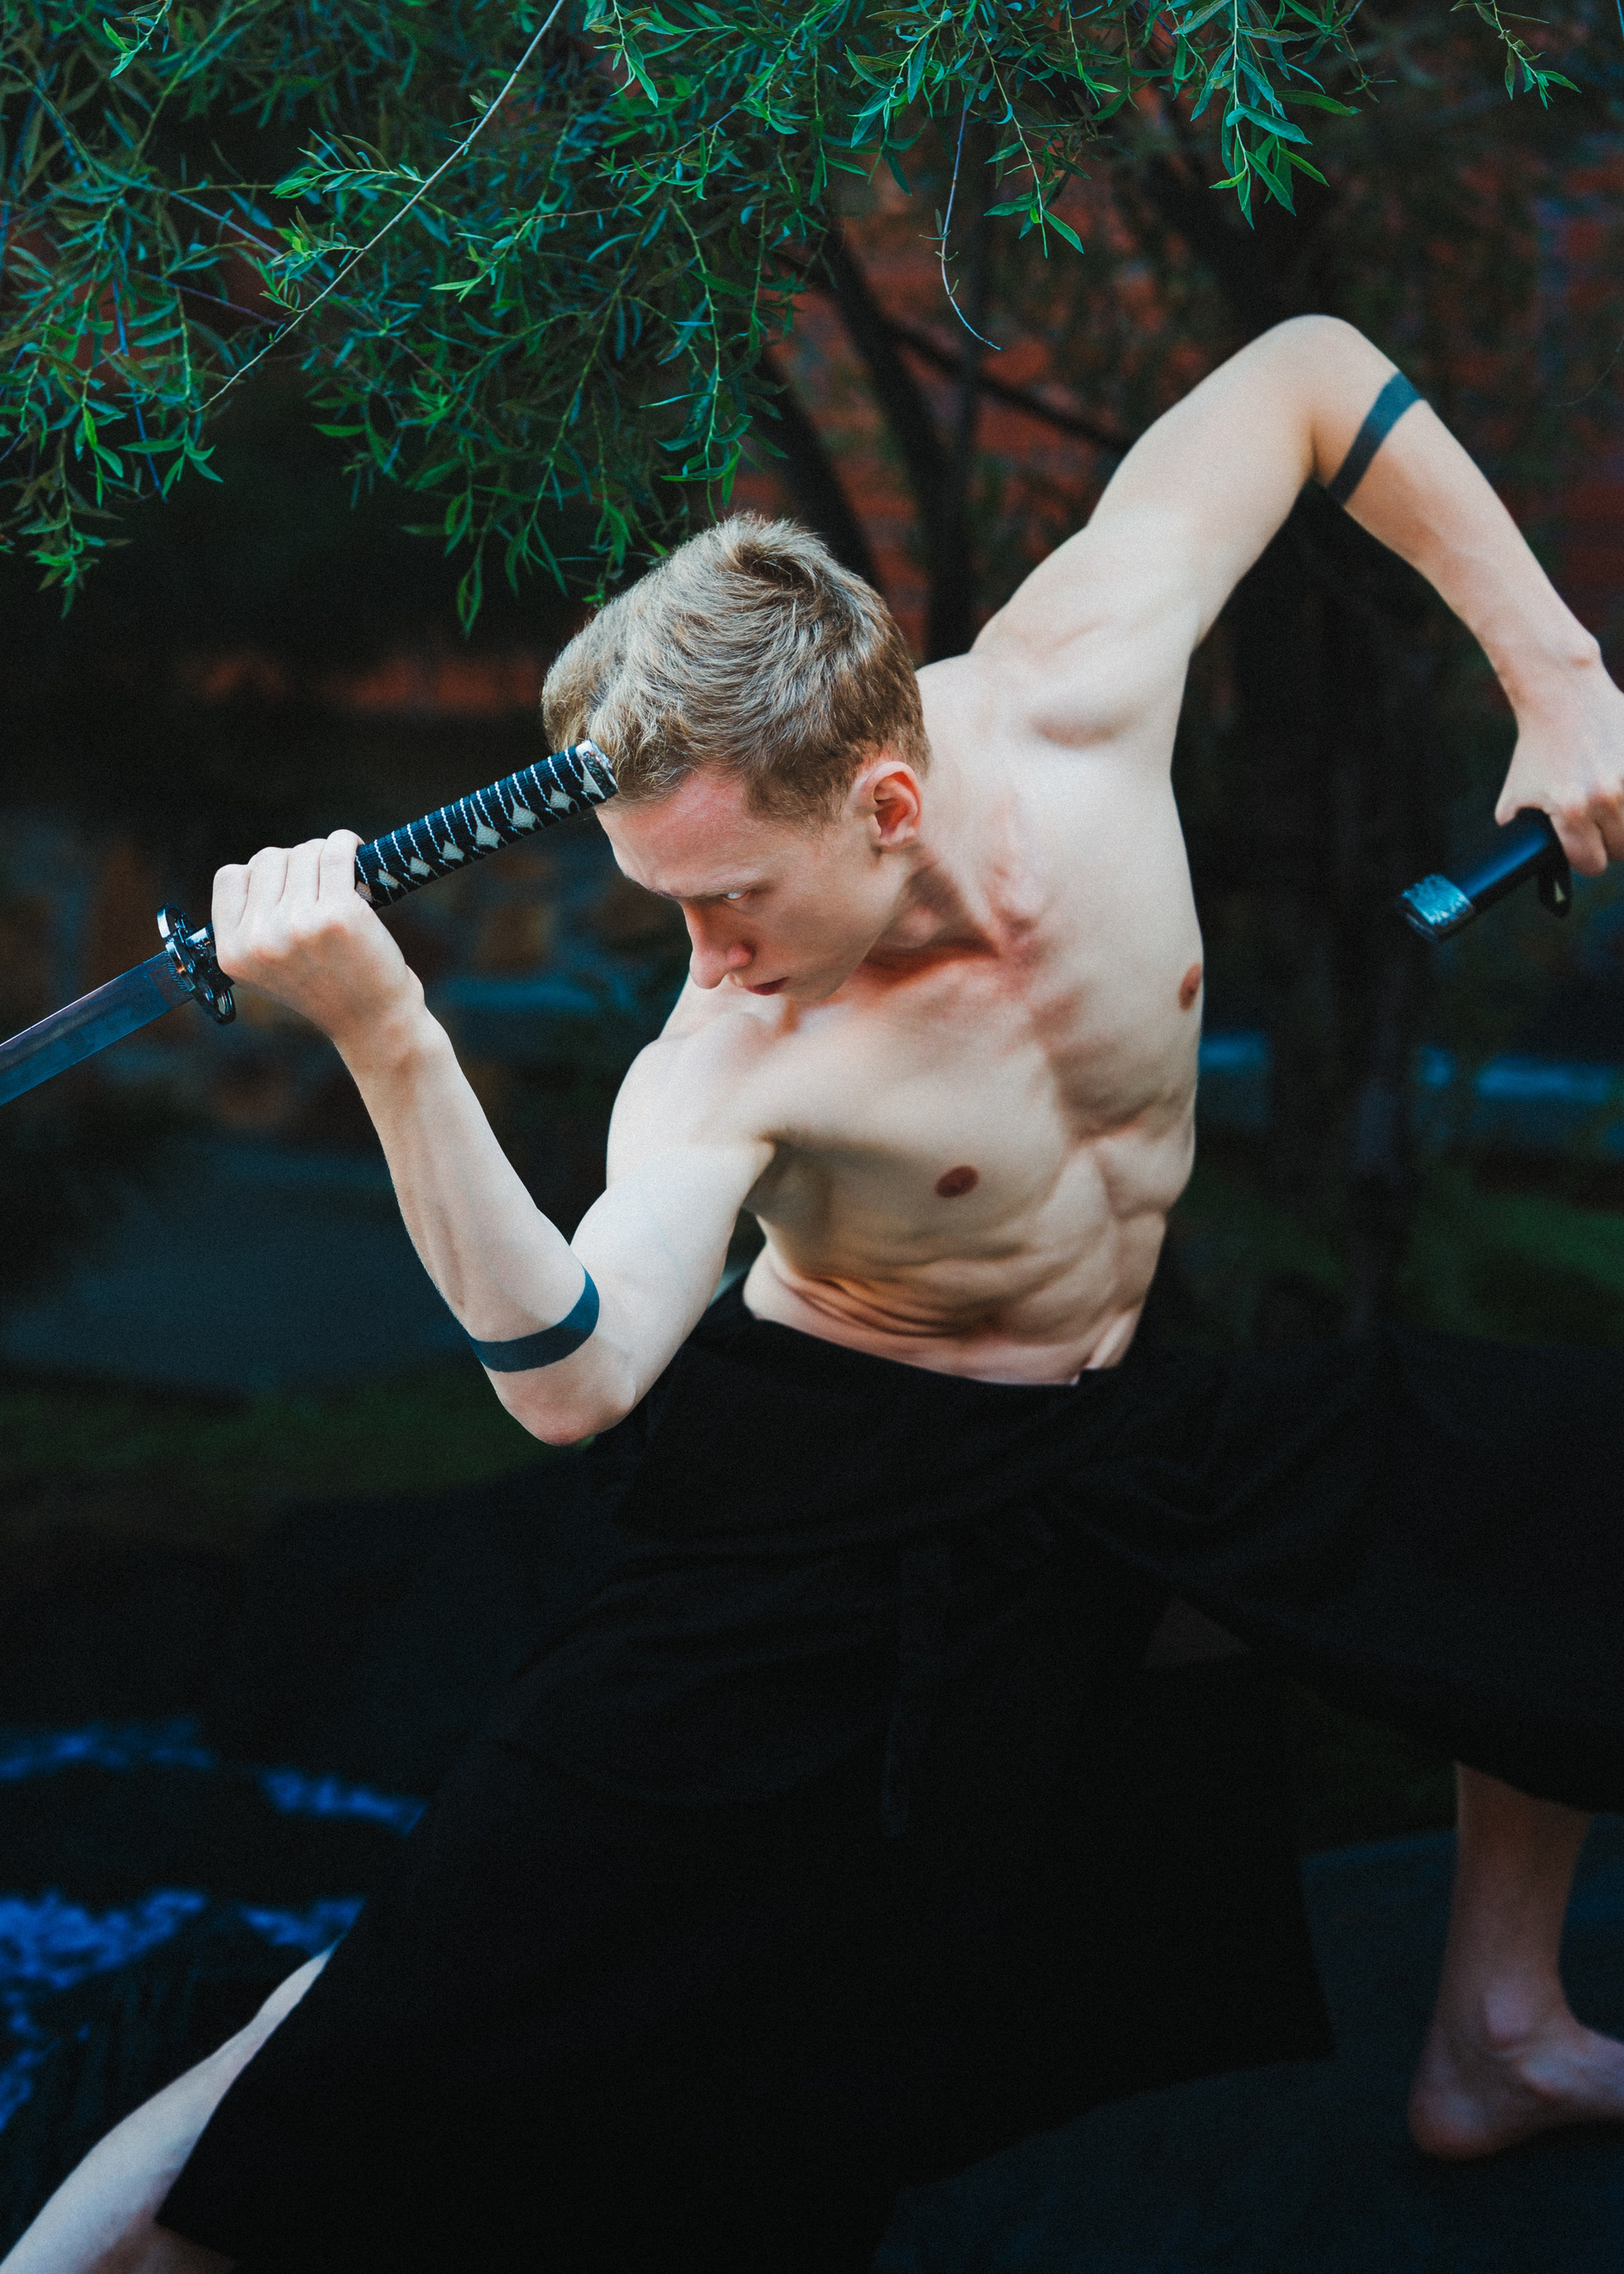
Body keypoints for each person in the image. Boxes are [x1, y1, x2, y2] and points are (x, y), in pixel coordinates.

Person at [10, 313, 1624, 2274]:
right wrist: (387, 1032)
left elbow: (1304, 375)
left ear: (885, 802)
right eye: (663, 900)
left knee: (1537, 1485)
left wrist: (1559, 678)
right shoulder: (729, 1057)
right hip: (814, 1512)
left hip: (1110, 1424)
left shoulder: (1081, 686)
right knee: (381, 2041)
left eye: (729, 896)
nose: (700, 954)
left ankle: (1497, 2034)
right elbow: (573, 1378)